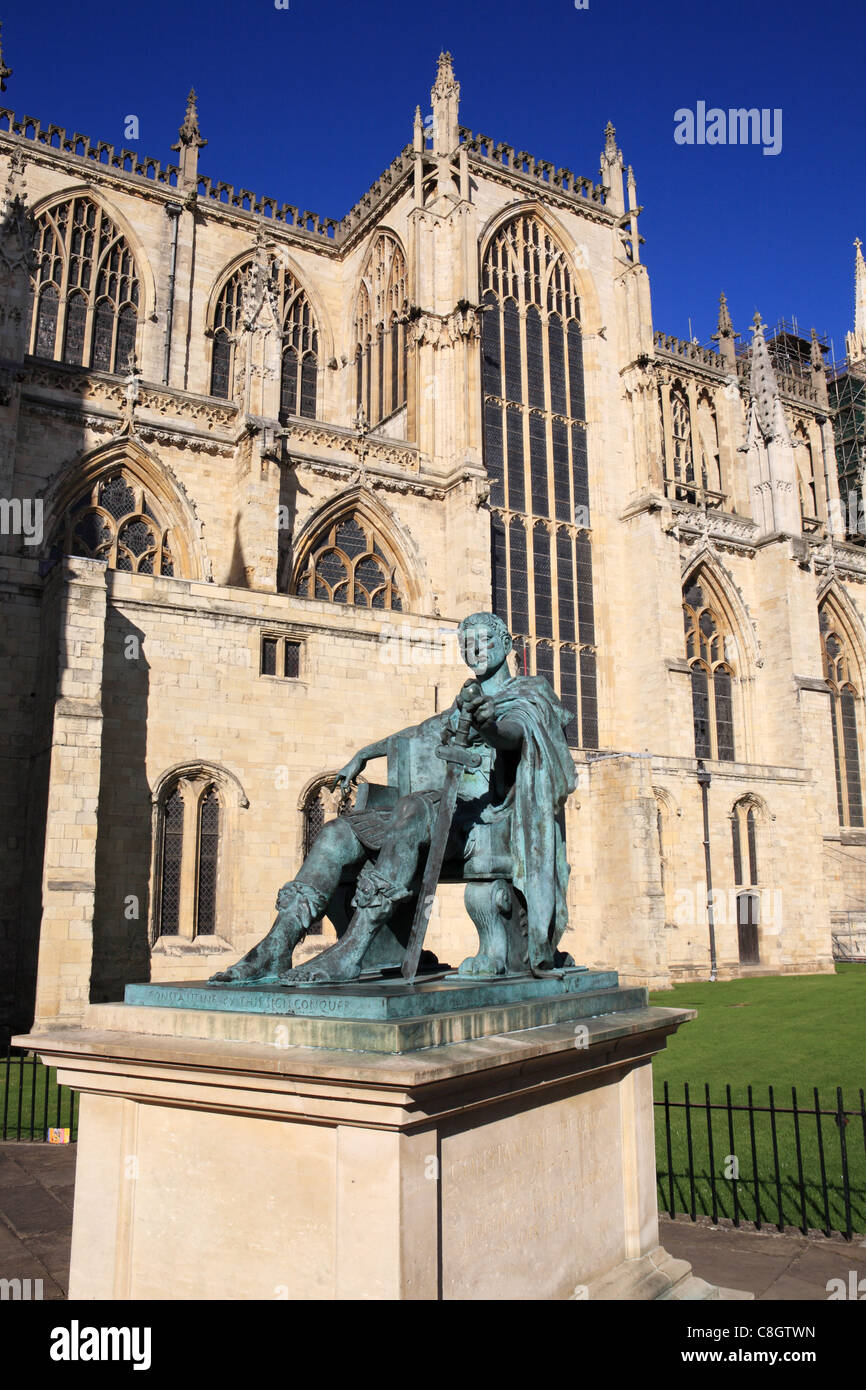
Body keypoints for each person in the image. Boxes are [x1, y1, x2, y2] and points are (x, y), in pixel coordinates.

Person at [210, 611, 576, 985]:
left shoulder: (530, 693)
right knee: (336, 833)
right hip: (437, 812)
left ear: (506, 644)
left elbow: (515, 735)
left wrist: (489, 726)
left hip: (487, 822)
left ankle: (353, 949)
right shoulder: (463, 702)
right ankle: (276, 945)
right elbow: (419, 732)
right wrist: (365, 753)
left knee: (413, 807)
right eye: (466, 643)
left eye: (483, 640)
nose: (474, 649)